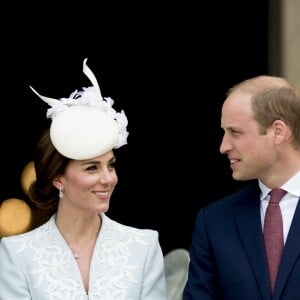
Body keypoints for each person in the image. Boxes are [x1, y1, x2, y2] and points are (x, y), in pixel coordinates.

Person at [0, 58, 167, 300]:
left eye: (110, 165)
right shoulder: (17, 254)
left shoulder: (144, 246)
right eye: (92, 168)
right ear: (58, 177)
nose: (108, 178)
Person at [183, 75, 300, 300]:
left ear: (278, 132)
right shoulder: (213, 222)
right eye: (224, 132)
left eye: (235, 132)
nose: (223, 146)